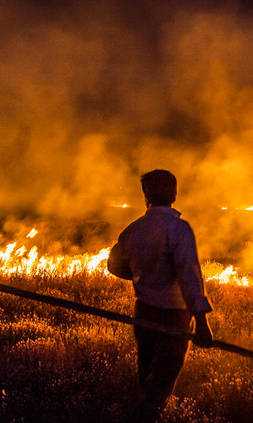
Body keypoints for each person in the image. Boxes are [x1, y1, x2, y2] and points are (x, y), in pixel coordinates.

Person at [107, 169, 213, 422]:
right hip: (174, 317)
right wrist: (202, 323)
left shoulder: (134, 230)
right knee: (164, 377)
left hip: (143, 313)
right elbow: (189, 276)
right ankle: (145, 416)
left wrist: (140, 276)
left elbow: (114, 265)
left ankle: (143, 412)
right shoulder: (178, 229)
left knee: (147, 373)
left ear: (146, 195)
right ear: (175, 194)